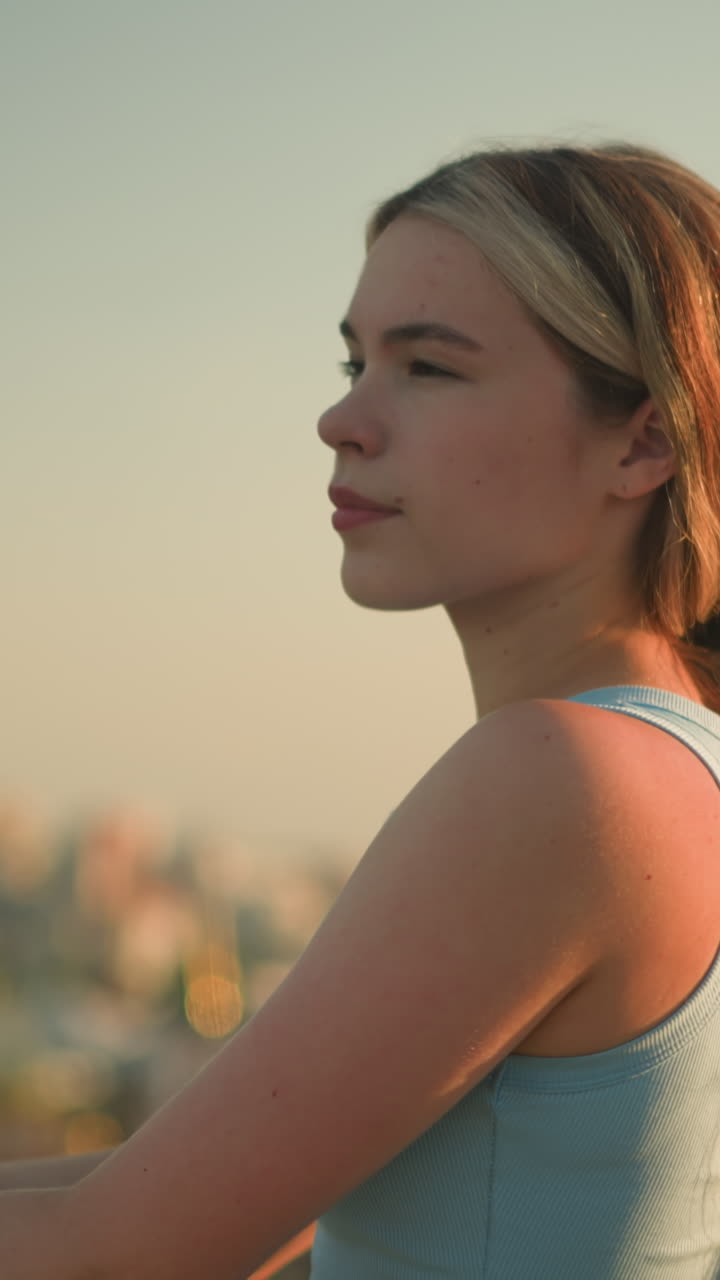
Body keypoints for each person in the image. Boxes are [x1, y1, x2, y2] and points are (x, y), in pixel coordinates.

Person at [2, 139, 720, 1278]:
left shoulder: (560, 774)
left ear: (643, 439)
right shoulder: (670, 764)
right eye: (354, 366)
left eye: (428, 368)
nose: (344, 423)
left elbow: (109, 1254)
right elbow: (191, 1187)